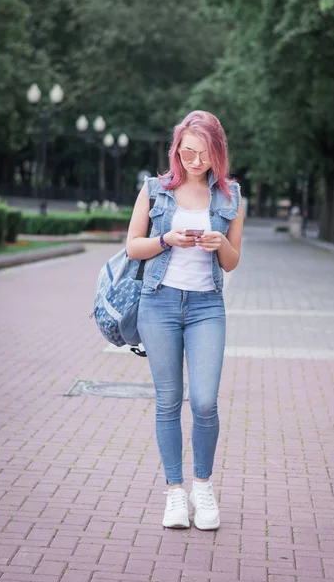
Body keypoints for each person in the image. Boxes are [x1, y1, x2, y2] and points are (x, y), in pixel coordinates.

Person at [126, 110, 244, 530]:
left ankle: (203, 488)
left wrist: (217, 245)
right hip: (158, 304)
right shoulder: (155, 190)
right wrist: (166, 240)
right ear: (177, 149)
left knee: (206, 401)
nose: (195, 161)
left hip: (206, 307)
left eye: (204, 153)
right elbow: (132, 248)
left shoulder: (230, 197)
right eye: (187, 151)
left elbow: (232, 263)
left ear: (217, 153)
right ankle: (175, 493)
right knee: (168, 401)